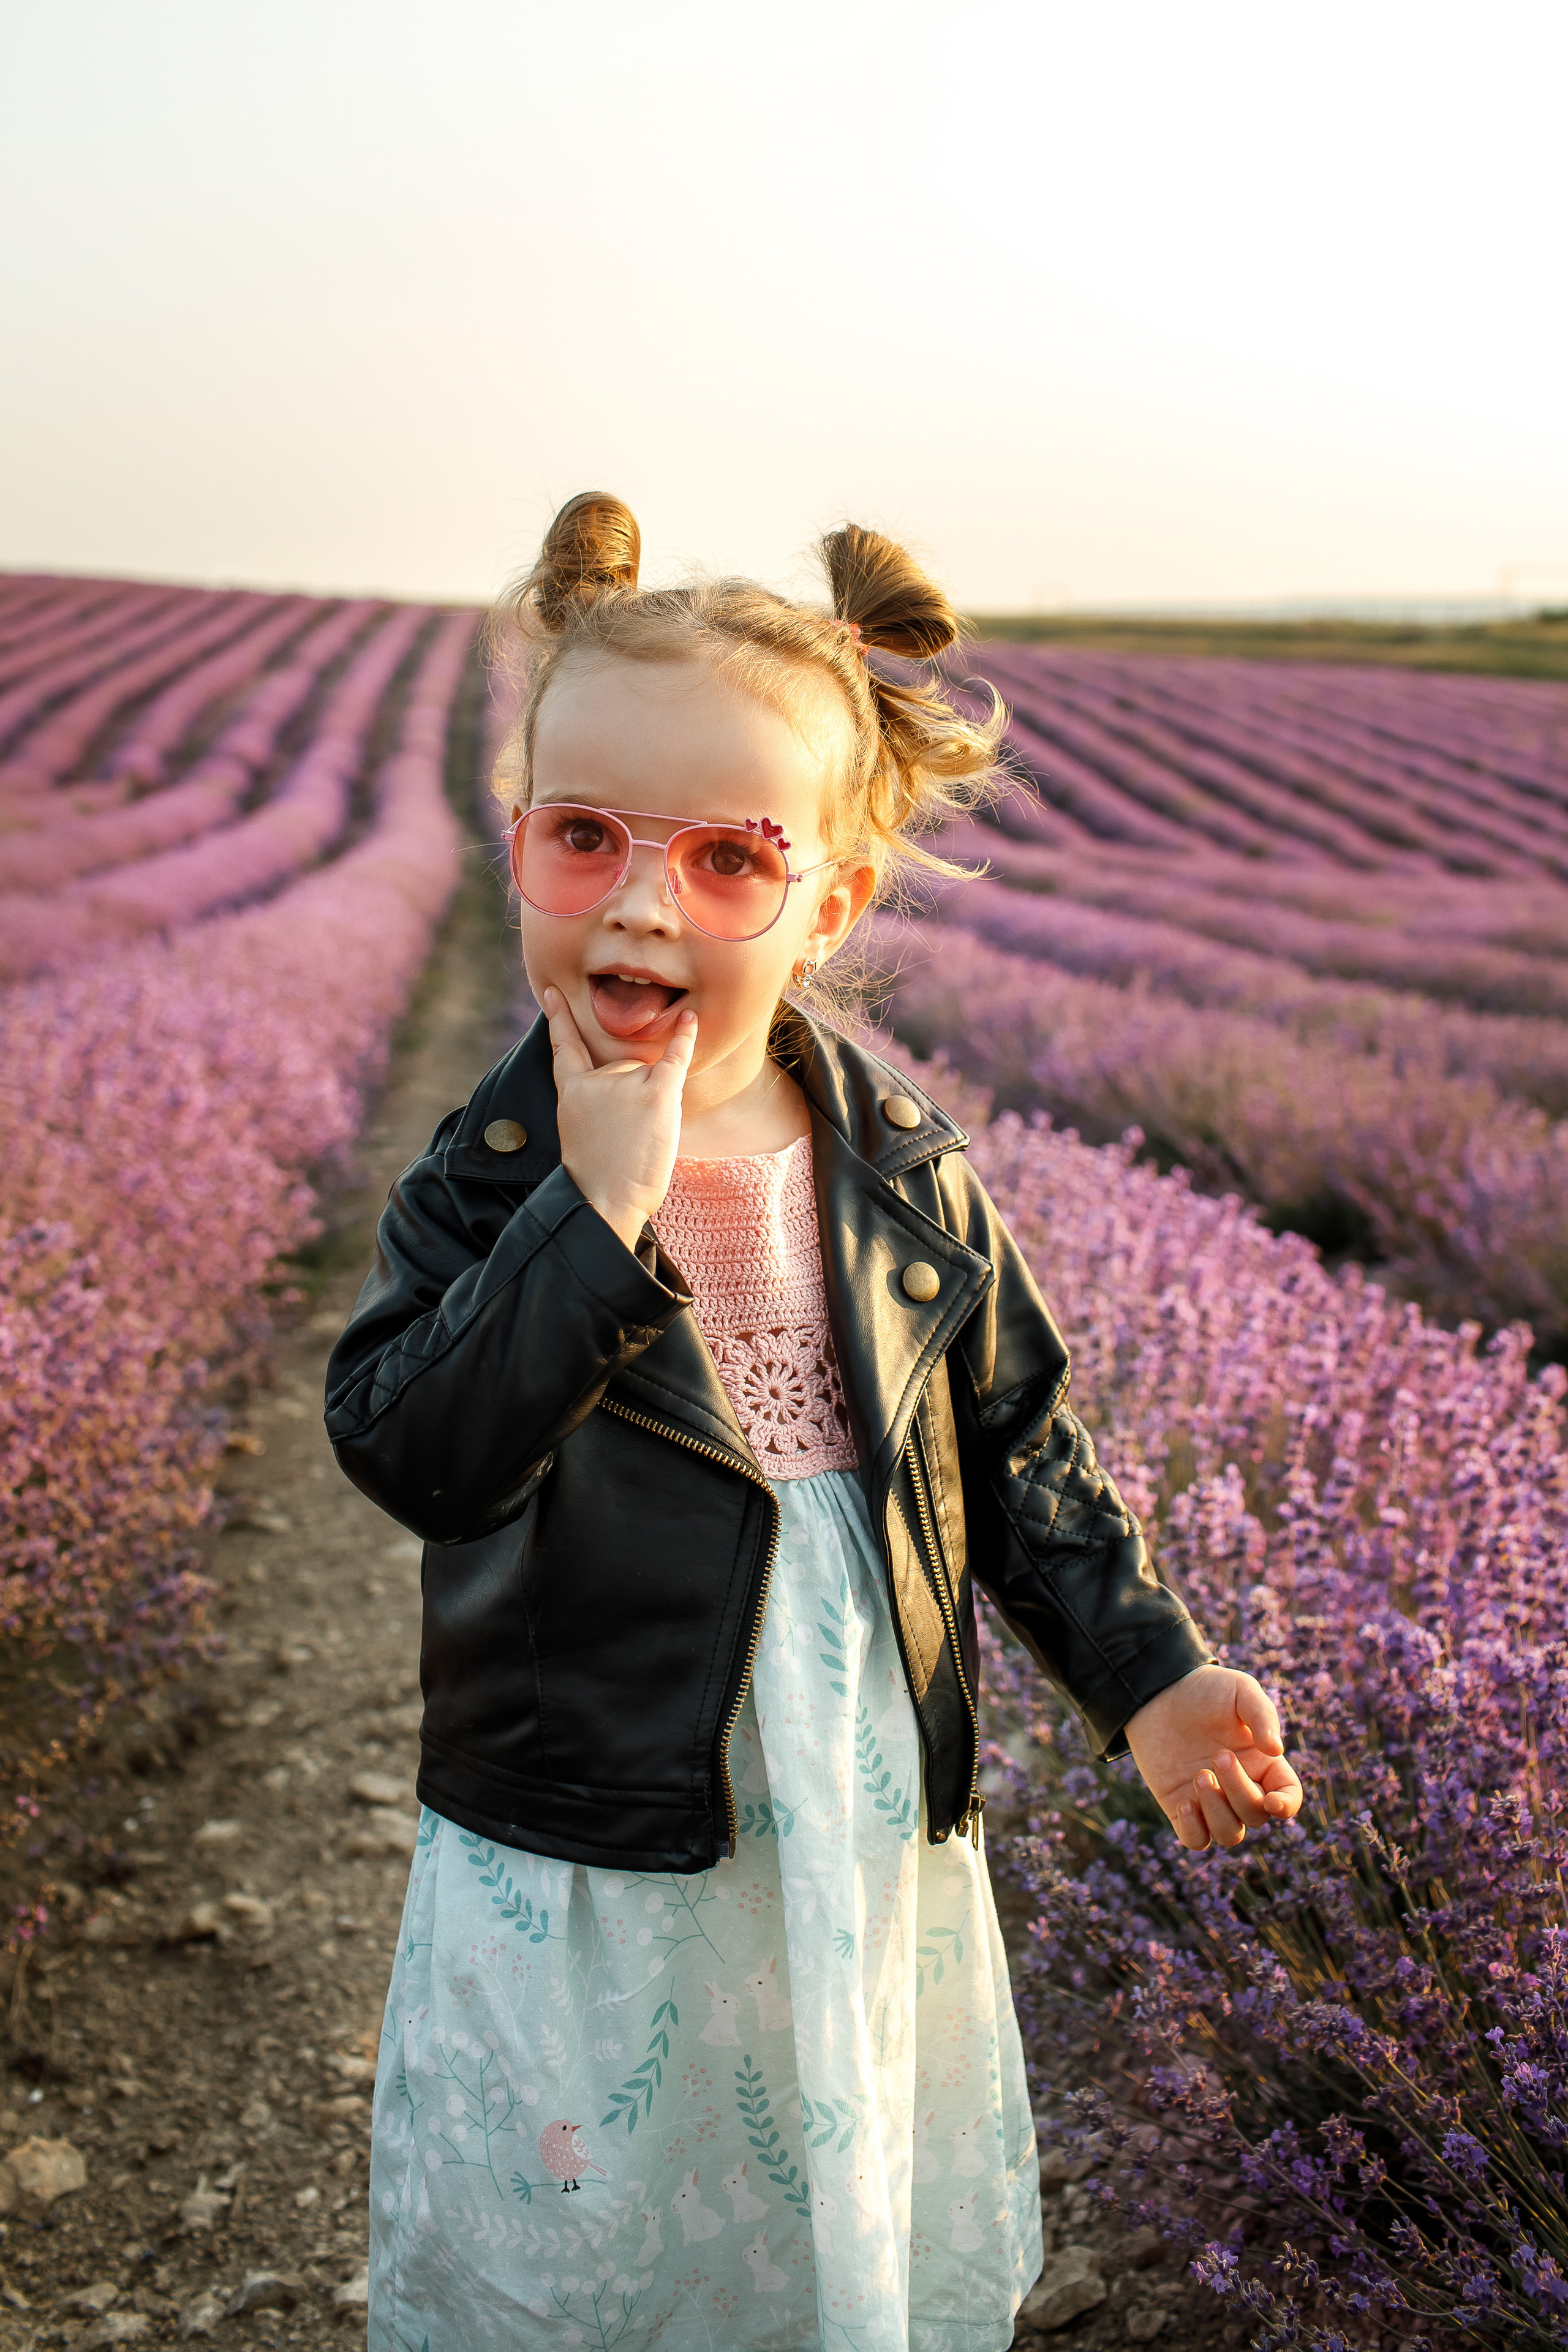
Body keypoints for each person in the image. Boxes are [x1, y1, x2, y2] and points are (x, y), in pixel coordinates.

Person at [325, 493, 1303, 2351]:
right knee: (590, 2209)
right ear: (515, 842)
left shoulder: (903, 1170)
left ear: (829, 902)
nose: (638, 903)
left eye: (724, 861)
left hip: (849, 1785)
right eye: (584, 836)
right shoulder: (491, 1172)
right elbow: (414, 1453)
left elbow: (1021, 1453)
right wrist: (587, 1223)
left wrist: (1152, 1674)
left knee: (817, 2164)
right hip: (595, 1821)